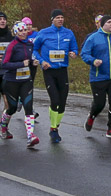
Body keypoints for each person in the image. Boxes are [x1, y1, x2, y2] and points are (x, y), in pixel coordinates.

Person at [33, 9, 78, 143]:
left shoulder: (68, 33)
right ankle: (53, 129)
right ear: (52, 19)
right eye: (57, 17)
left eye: (62, 17)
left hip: (62, 71)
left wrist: (73, 53)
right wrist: (42, 61)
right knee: (55, 99)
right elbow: (34, 49)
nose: (60, 20)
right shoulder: (44, 33)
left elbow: (74, 48)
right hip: (49, 71)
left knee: (63, 102)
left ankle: (56, 125)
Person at [81, 15, 111, 139]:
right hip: (98, 77)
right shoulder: (93, 38)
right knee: (100, 104)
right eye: (109, 22)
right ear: (102, 24)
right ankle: (92, 116)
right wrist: (93, 60)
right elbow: (84, 54)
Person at [0, 21, 41, 148]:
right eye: (20, 31)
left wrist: (33, 62)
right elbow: (4, 64)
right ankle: (3, 126)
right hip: (11, 82)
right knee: (11, 108)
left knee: (28, 107)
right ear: (15, 32)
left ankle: (30, 136)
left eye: (25, 30)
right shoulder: (12, 45)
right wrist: (20, 64)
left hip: (26, 81)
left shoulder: (29, 44)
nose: (23, 33)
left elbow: (30, 59)